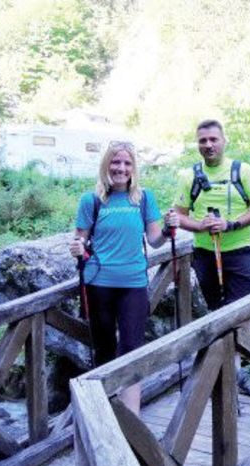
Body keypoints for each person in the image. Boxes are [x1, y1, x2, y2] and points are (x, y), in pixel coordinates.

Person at [167, 119, 250, 401]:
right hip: (206, 253)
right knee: (216, 311)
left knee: (242, 312)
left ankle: (247, 369)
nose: (208, 145)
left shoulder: (242, 171)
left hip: (239, 250)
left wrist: (231, 224)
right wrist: (199, 226)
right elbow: (179, 215)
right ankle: (224, 369)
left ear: (224, 140)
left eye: (213, 139)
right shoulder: (189, 176)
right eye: (203, 141)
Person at [69, 142, 169, 415]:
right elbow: (80, 241)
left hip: (133, 283)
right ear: (106, 166)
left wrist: (169, 231)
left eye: (126, 163)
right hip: (98, 283)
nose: (121, 168)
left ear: (133, 168)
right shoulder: (91, 201)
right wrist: (77, 247)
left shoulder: (144, 198)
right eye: (115, 163)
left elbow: (155, 240)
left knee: (132, 348)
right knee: (103, 348)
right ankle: (106, 411)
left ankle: (131, 416)